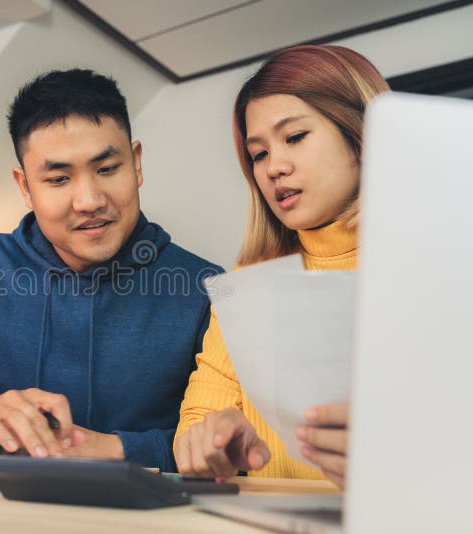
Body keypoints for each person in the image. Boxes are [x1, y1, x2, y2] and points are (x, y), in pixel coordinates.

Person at [0, 69, 222, 472]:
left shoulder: (206, 288)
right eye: (58, 179)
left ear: (136, 164)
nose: (88, 200)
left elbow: (234, 445)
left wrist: (117, 449)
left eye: (107, 169)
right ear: (25, 187)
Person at [174, 45, 390, 489]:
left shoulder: (445, 263)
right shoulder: (243, 286)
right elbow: (193, 428)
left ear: (361, 135)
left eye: (294, 138)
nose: (275, 167)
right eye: (259, 154)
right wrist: (210, 445)